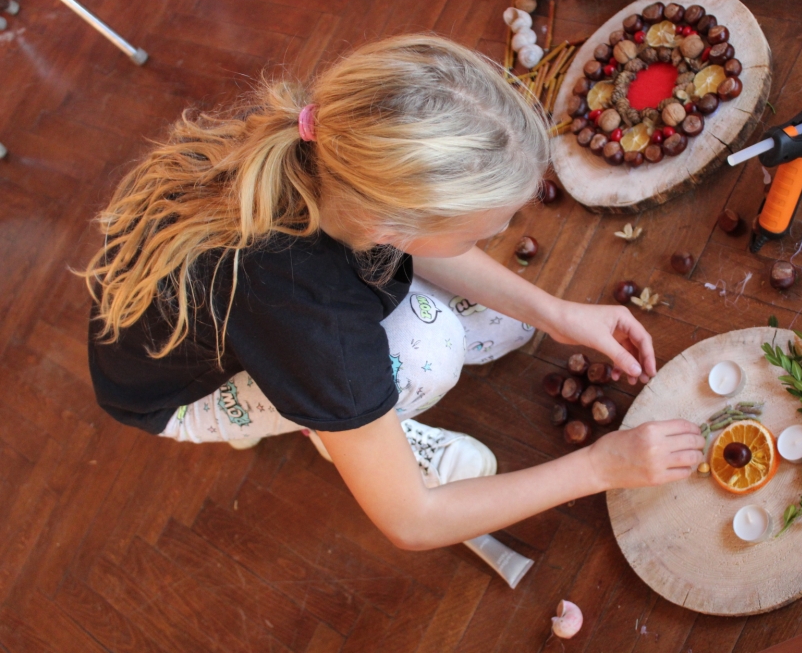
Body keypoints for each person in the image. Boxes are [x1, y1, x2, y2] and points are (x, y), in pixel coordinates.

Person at [83, 35, 704, 552]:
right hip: (185, 397)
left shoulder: (341, 151)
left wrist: (553, 311)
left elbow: (420, 242)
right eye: (483, 231)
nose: (501, 235)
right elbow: (412, 522)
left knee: (511, 324)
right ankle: (331, 431)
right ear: (390, 229)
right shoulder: (310, 318)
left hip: (258, 317)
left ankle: (342, 414)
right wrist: (599, 467)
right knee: (431, 349)